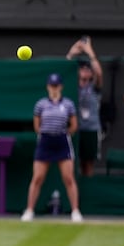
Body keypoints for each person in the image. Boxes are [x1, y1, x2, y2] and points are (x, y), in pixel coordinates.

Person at [21, 73, 82, 222]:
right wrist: (45, 133)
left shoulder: (68, 104)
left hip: (62, 142)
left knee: (68, 178)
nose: (54, 88)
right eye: (51, 85)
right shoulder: (41, 104)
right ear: (48, 87)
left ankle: (75, 211)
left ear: (60, 87)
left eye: (56, 85)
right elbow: (37, 125)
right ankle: (29, 211)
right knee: (37, 178)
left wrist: (66, 133)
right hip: (45, 142)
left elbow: (74, 125)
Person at [66, 36, 103, 177]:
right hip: (75, 129)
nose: (86, 71)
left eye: (88, 69)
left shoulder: (94, 87)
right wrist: (71, 53)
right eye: (83, 68)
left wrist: (89, 51)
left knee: (88, 164)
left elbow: (99, 73)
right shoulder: (72, 85)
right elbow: (63, 70)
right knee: (73, 163)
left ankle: (88, 192)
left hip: (91, 129)